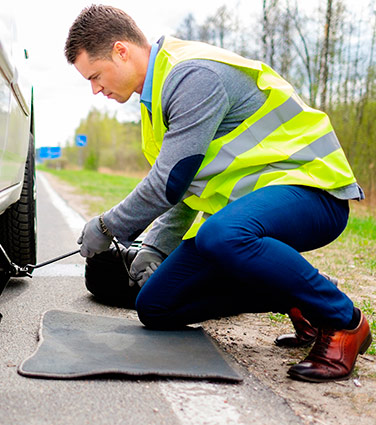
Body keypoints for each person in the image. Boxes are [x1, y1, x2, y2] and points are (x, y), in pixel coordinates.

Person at [66, 4, 372, 383]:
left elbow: (169, 181)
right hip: (248, 215)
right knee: (156, 305)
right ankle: (299, 296)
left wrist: (109, 226)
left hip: (314, 191)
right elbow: (187, 186)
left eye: (94, 76)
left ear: (121, 51)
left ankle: (344, 321)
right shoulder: (154, 102)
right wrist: (155, 248)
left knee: (220, 235)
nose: (95, 89)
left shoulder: (192, 75)